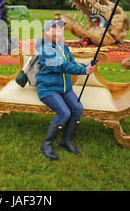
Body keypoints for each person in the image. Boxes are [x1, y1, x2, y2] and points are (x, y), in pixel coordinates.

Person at [35, 19, 95, 160]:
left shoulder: (63, 46)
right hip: (48, 88)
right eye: (54, 28)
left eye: (60, 28)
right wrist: (83, 71)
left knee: (77, 108)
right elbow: (61, 66)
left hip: (65, 88)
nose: (59, 30)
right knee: (64, 113)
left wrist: (86, 66)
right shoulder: (45, 49)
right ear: (46, 33)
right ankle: (47, 144)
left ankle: (65, 141)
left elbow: (71, 63)